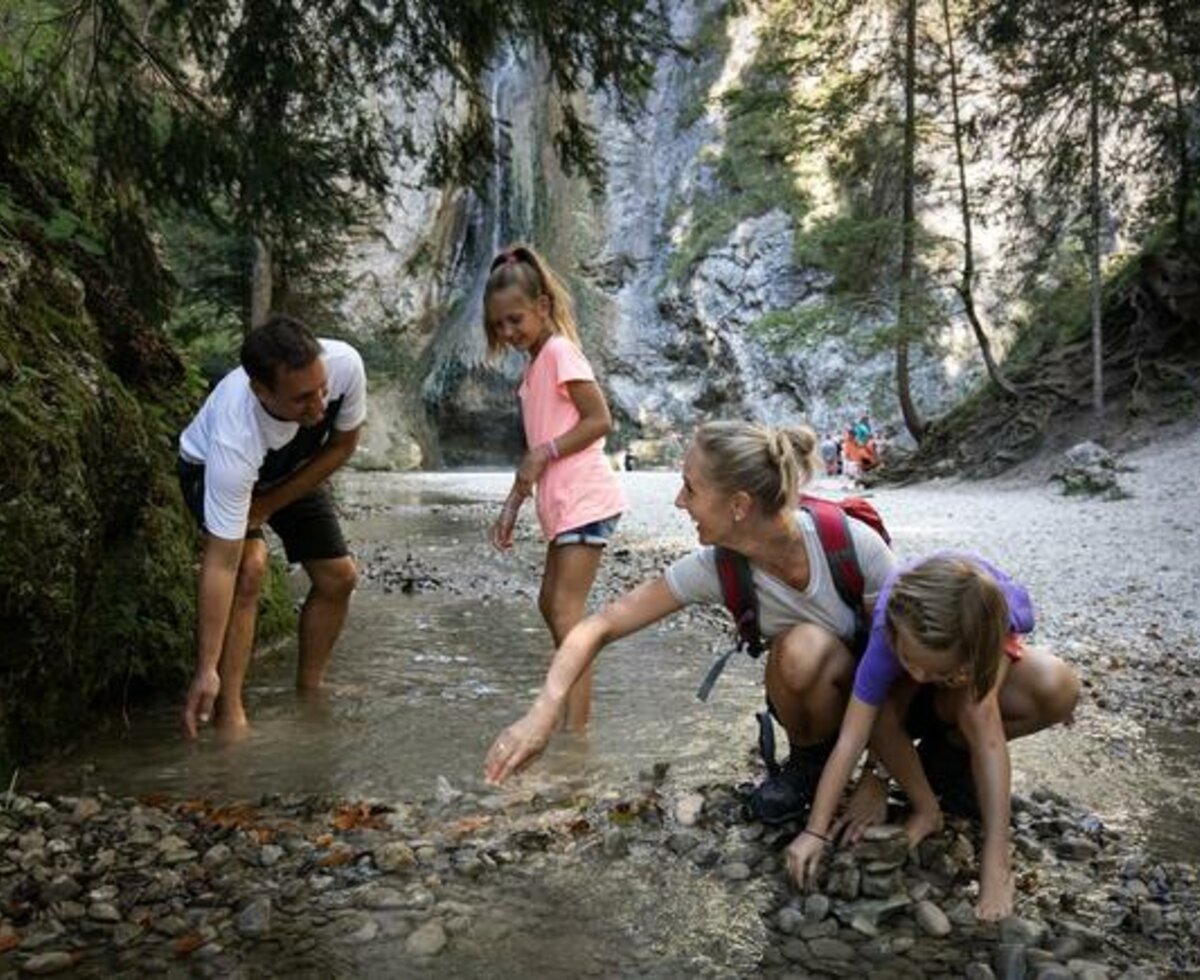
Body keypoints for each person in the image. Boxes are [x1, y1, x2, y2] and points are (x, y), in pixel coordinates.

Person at [484, 420, 896, 830]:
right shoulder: (719, 567)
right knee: (797, 651)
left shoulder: (852, 547)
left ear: (739, 505)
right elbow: (600, 626)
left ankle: (881, 766)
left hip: (890, 706)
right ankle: (810, 765)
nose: (680, 502)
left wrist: (877, 777)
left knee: (803, 647)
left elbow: (902, 659)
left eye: (691, 489)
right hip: (822, 709)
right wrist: (542, 713)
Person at [785, 554, 1080, 921]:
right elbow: (851, 738)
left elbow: (990, 740)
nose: (921, 676)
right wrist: (816, 830)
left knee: (987, 708)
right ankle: (927, 808)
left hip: (971, 658)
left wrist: (994, 858)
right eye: (911, 662)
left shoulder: (999, 615)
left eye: (933, 671)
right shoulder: (889, 629)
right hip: (915, 686)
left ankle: (950, 756)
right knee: (880, 712)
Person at [177, 315, 366, 737]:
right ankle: (230, 711)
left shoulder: (345, 365)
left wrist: (271, 503)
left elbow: (343, 445)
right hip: (207, 469)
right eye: (303, 398)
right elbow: (221, 563)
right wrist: (205, 667)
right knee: (250, 567)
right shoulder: (234, 436)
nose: (319, 407)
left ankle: (310, 689)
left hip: (290, 470)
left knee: (339, 578)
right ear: (261, 391)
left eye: (322, 390)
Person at [484, 243, 628, 732]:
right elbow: (534, 453)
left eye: (515, 319)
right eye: (499, 324)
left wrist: (546, 452)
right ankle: (572, 716)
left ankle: (576, 736)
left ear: (543, 306)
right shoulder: (536, 362)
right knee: (552, 606)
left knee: (567, 615)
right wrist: (510, 508)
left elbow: (599, 420)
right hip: (562, 504)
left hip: (585, 499)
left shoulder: (561, 352)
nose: (507, 332)